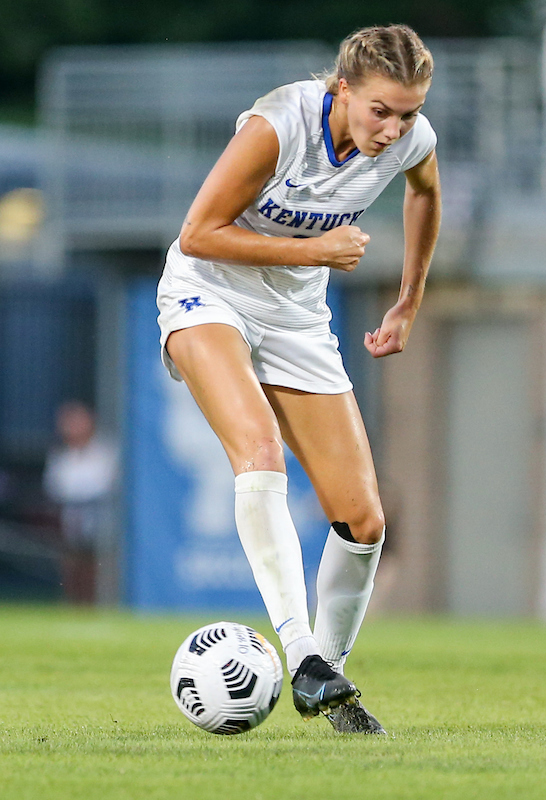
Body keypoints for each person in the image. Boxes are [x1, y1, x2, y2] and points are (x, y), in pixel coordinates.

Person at [155, 24, 441, 734]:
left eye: (407, 113)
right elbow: (198, 232)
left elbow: (425, 194)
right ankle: (301, 649)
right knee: (258, 450)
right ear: (342, 89)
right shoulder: (278, 123)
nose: (394, 128)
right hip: (210, 291)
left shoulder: (411, 139)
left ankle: (327, 683)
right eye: (381, 110)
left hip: (297, 315)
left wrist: (408, 299)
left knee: (365, 519)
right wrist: (312, 250)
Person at [43, 401, 119, 604]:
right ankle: (74, 604)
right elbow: (55, 487)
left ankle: (105, 604)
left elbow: (107, 484)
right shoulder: (61, 456)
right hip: (73, 524)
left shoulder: (105, 452)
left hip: (102, 524)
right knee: (73, 568)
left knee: (101, 567)